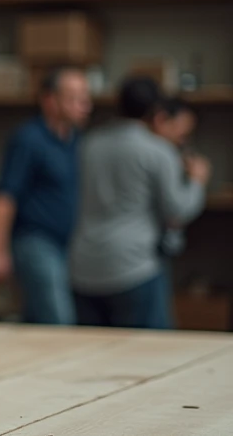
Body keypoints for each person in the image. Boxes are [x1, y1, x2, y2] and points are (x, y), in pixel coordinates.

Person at [69, 78, 211, 329]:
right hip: (133, 266)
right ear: (156, 113)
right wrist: (197, 182)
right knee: (149, 355)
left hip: (84, 263)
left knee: (91, 355)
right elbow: (177, 210)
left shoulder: (88, 144)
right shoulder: (156, 150)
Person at [0, 66, 93, 324]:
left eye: (86, 98)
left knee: (37, 318)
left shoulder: (77, 141)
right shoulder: (29, 139)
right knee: (59, 318)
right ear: (50, 100)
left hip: (71, 245)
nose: (84, 106)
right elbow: (4, 196)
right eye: (74, 98)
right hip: (36, 241)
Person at [151, 97, 198, 259]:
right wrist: (197, 180)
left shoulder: (169, 155)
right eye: (182, 134)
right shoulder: (160, 154)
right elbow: (177, 211)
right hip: (148, 251)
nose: (182, 141)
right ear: (161, 120)